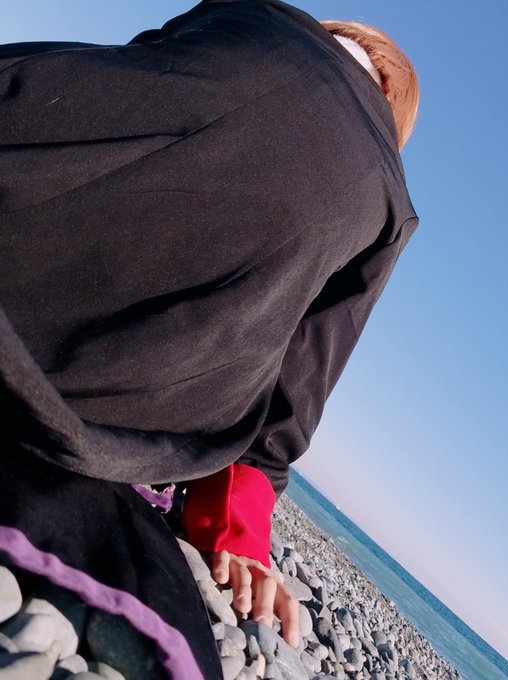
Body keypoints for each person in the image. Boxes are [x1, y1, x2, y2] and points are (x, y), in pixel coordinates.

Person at [0, 1, 418, 676]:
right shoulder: (388, 204)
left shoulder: (250, 13)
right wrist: (237, 532)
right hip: (84, 398)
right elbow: (298, 379)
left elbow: (119, 95)